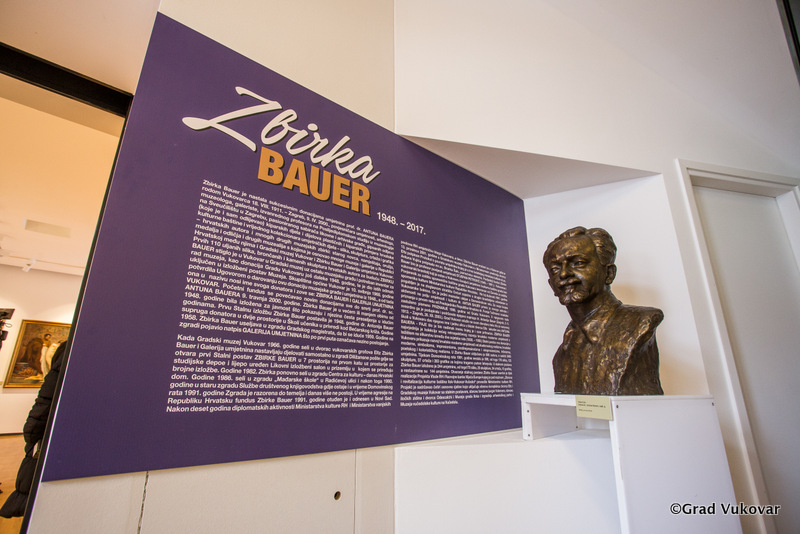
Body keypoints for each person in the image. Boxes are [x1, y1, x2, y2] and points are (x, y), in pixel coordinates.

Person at [543, 226, 664, 395]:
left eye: (578, 263)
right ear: (551, 285)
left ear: (609, 273)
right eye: (555, 269)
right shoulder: (561, 356)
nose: (563, 274)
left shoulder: (640, 323)